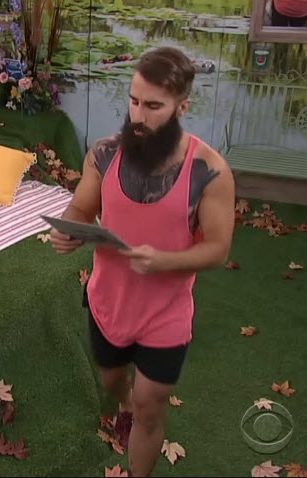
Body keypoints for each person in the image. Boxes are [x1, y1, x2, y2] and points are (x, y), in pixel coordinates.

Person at [49, 47, 235, 477]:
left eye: (153, 106)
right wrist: (71, 230)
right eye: (134, 101)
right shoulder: (103, 154)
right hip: (108, 303)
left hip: (165, 314)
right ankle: (123, 403)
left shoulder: (210, 171)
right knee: (112, 379)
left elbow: (218, 249)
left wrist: (165, 261)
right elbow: (82, 207)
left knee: (150, 408)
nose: (138, 115)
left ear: (182, 107)